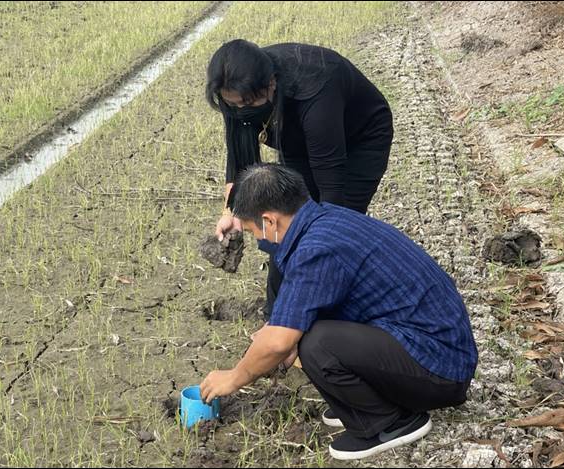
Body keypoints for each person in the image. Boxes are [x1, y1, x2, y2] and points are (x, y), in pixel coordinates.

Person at [200, 164, 478, 461]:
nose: (258, 240)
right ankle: (362, 403)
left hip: (440, 365)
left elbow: (279, 342)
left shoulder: (315, 249)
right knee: (303, 328)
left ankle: (389, 423)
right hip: (431, 344)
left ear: (270, 221)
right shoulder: (325, 220)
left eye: (255, 230)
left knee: (316, 343)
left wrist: (235, 376)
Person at [206, 39, 393, 321]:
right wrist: (232, 212)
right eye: (236, 105)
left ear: (271, 83)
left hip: (360, 139)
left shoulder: (315, 87)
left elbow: (331, 189)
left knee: (334, 227)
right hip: (294, 136)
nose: (243, 110)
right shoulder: (238, 90)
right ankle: (278, 314)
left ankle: (323, 313)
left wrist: (322, 242)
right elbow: (240, 157)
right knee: (284, 223)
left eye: (249, 103)